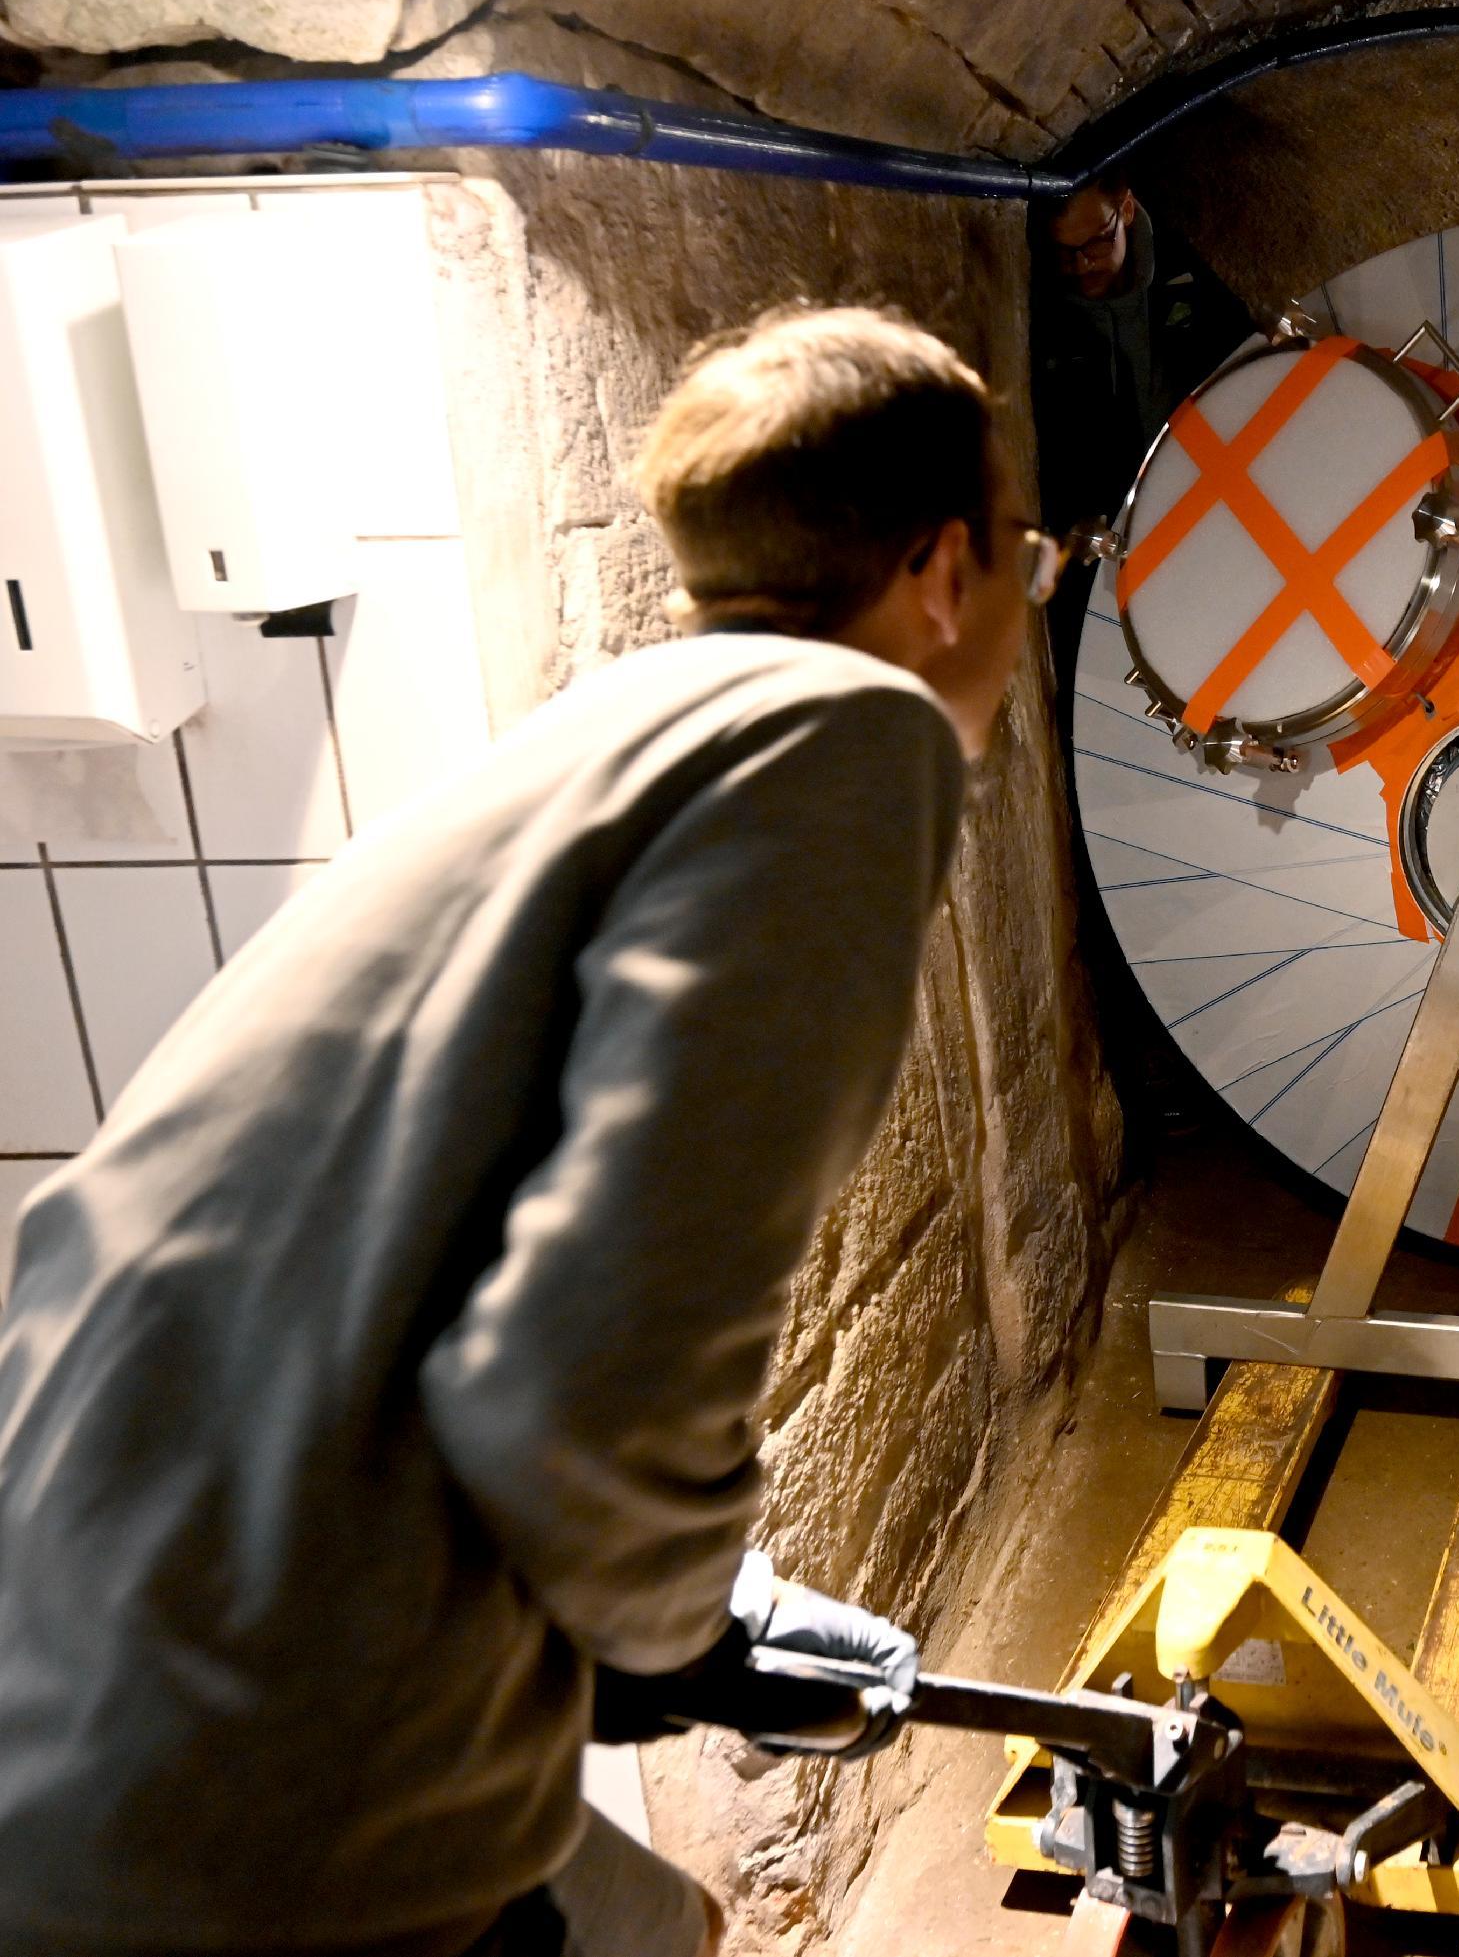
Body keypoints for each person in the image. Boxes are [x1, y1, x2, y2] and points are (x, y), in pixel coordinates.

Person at [0, 306, 1056, 1957]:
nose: (1013, 605)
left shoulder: (611, 732)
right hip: (244, 1714)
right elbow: (581, 1372)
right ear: (941, 575)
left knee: (657, 1929)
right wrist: (675, 1622)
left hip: (97, 1625)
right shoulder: (854, 736)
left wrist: (697, 1616)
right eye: (1024, 561)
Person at [1029, 172, 1254, 693]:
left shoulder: (1186, 274)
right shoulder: (1048, 316)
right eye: (1065, 254)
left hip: (1210, 505)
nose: (1082, 266)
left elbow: (1245, 369)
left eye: (1095, 244)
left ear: (1126, 210)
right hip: (1117, 542)